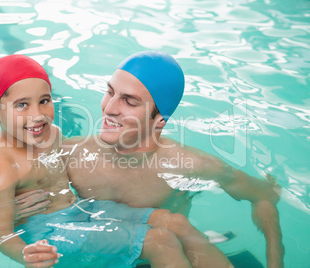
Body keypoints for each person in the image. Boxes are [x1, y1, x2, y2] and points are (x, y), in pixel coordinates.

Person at [16, 51, 284, 268]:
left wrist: (276, 262)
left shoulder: (189, 165)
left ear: (159, 120)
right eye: (109, 92)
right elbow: (6, 208)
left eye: (129, 102)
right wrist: (15, 212)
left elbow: (264, 196)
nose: (109, 109)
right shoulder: (70, 154)